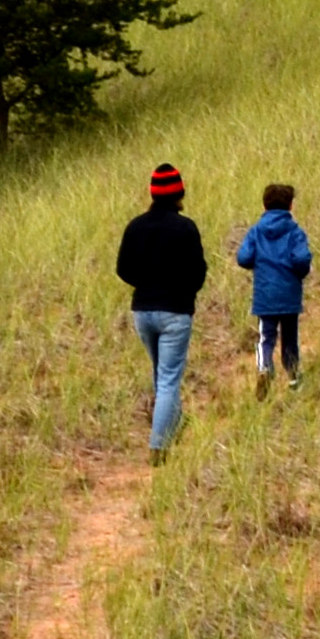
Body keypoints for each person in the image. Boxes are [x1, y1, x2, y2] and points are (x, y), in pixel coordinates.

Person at [114, 162, 206, 458]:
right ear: (179, 193)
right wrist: (185, 291)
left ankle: (175, 424)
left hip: (142, 311)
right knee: (168, 378)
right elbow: (198, 272)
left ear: (152, 193)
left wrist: (146, 283)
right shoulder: (186, 227)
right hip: (175, 312)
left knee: (160, 374)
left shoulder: (135, 226)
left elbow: (123, 269)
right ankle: (159, 446)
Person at [235, 180, 311, 389]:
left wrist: (257, 263)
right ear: (290, 206)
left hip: (265, 294)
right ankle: (294, 379)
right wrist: (299, 273)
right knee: (290, 339)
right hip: (289, 295)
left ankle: (264, 367)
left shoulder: (256, 231)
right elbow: (302, 259)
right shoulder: (295, 232)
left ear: (264, 205)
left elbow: (243, 257)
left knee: (266, 336)